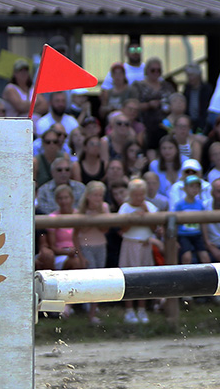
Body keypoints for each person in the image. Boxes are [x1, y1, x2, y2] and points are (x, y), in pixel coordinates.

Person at [118, 178, 162, 323]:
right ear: (130, 194)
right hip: (130, 245)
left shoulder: (150, 206)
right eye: (135, 195)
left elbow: (155, 228)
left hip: (145, 246)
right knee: (129, 278)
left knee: (144, 278)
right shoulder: (125, 208)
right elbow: (122, 229)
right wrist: (133, 218)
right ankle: (129, 310)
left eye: (141, 195)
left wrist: (146, 214)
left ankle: (142, 310)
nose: (138, 198)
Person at [74, 180, 111, 324]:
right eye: (95, 195)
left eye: (101, 195)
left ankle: (93, 312)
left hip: (101, 245)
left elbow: (105, 230)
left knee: (100, 278)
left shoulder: (105, 207)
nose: (98, 198)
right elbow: (75, 235)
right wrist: (80, 255)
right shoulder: (81, 211)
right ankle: (89, 311)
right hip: (86, 246)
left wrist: (99, 215)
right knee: (91, 277)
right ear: (88, 196)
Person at [129, 56, 174, 152]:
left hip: (165, 124)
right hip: (144, 124)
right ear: (147, 71)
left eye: (158, 70)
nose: (156, 73)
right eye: (153, 70)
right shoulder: (138, 86)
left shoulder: (167, 86)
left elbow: (174, 102)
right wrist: (148, 105)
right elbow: (132, 106)